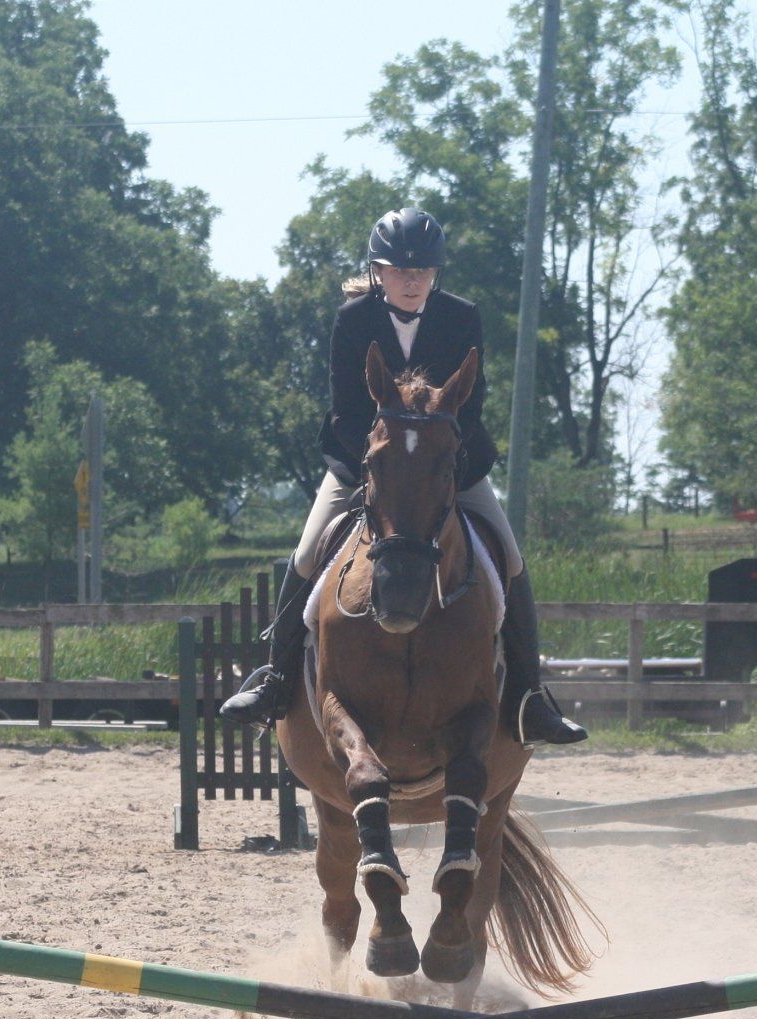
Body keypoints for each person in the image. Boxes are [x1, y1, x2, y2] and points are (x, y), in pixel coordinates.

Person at [221, 207, 586, 746]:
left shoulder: (462, 317)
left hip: (447, 467)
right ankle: (275, 683)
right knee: (304, 556)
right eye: (399, 270)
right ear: (378, 272)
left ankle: (531, 698)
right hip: (365, 465)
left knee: (509, 557)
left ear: (436, 274)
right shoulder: (353, 320)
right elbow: (346, 411)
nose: (411, 281)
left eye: (422, 272)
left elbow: (472, 404)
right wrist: (381, 469)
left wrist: (441, 466)